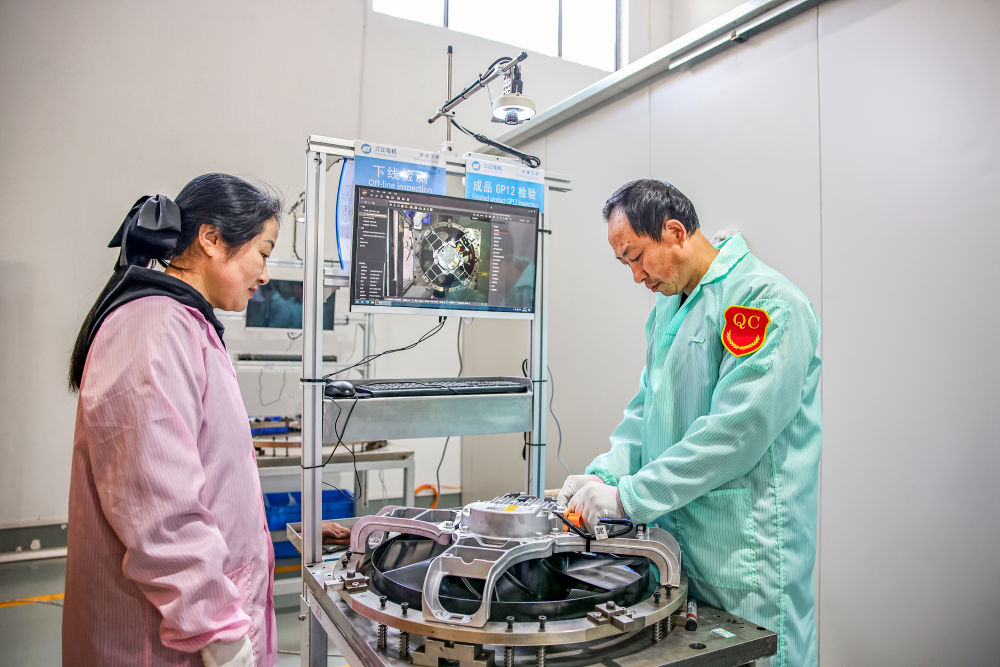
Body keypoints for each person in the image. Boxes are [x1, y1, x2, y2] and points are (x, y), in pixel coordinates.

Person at [558, 179, 822, 667]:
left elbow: (736, 432)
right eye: (625, 264)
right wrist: (604, 475)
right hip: (677, 551)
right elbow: (645, 409)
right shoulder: (669, 306)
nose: (636, 276)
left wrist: (628, 498)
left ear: (676, 232)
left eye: (638, 257)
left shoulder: (764, 301)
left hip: (745, 555)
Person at [64, 174, 282, 666]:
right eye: (263, 252)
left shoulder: (184, 325)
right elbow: (158, 512)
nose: (265, 274)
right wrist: (220, 634)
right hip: (166, 641)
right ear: (211, 239)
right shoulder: (152, 327)